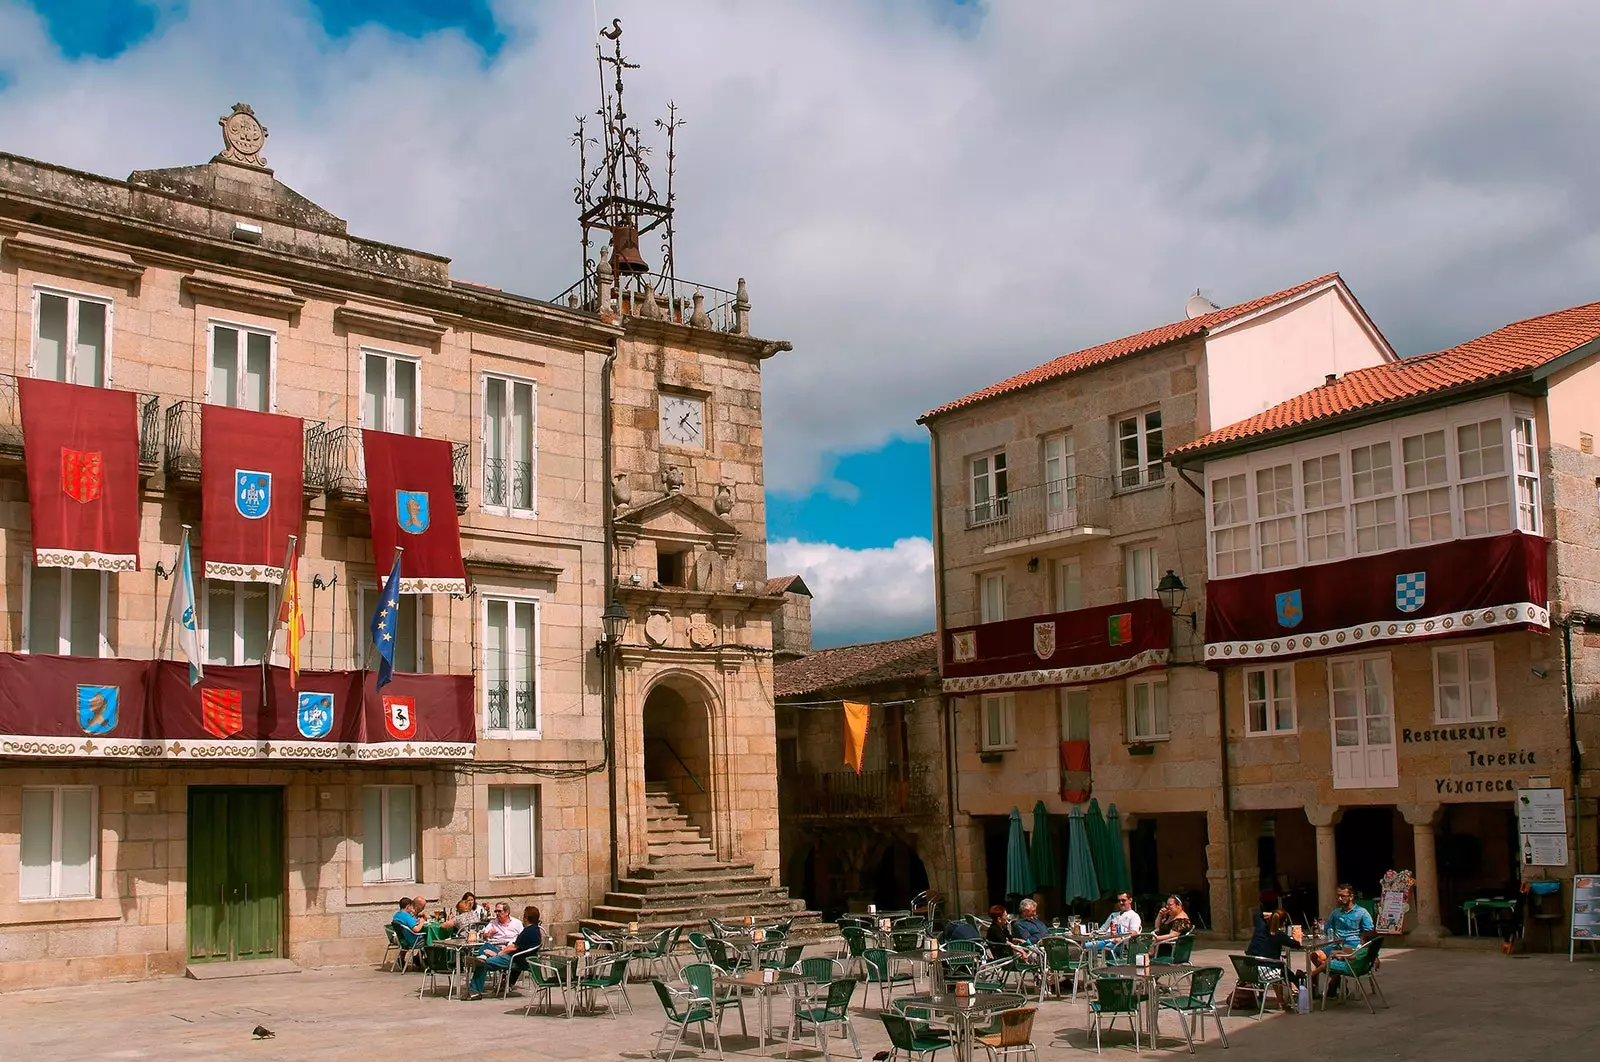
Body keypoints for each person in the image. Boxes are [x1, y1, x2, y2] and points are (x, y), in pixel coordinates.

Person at [467, 905, 543, 999]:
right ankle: (482, 958)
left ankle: (475, 991)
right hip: (515, 956)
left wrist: (498, 954)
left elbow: (514, 947)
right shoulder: (534, 929)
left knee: (482, 963)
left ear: (526, 918)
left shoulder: (528, 931)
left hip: (515, 959)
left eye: (524, 916)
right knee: (485, 950)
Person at [1310, 884, 1375, 984]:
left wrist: (1374, 954)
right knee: (1314, 955)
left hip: (1352, 946)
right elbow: (1327, 929)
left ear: (1351, 897)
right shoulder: (1335, 913)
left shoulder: (1362, 912)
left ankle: (1326, 979)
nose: (1339, 899)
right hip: (1337, 945)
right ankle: (1335, 978)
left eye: (1342, 896)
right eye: (1338, 896)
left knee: (1332, 958)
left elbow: (1370, 934)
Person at [1244, 901, 1302, 1011]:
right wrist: (1297, 937)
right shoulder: (1280, 935)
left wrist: (1273, 914)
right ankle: (1295, 992)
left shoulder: (1260, 927)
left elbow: (1257, 915)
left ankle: (1287, 994)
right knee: (1280, 968)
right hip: (1265, 973)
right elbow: (1296, 945)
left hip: (1249, 971)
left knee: (1278, 967)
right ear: (1283, 922)